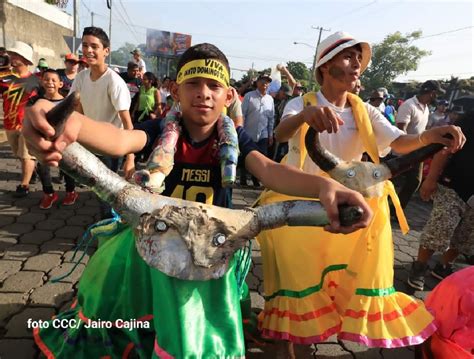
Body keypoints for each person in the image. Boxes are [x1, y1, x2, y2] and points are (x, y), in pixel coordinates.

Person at [24, 42, 373, 358]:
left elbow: (268, 169)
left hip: (213, 250)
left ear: (229, 95)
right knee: (118, 298)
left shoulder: (237, 138)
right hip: (153, 241)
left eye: (213, 85)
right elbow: (119, 139)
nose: (203, 93)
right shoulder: (160, 129)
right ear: (175, 90)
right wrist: (70, 121)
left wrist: (323, 188)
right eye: (193, 83)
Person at [256, 31, 465, 357]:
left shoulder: (364, 110)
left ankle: (310, 336)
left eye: (358, 58)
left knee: (334, 286)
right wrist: (304, 117)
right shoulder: (302, 103)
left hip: (349, 210)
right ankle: (290, 343)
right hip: (301, 208)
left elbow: (399, 142)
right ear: (325, 66)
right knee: (298, 283)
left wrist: (429, 136)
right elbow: (282, 133)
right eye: (347, 57)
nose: (356, 64)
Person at [70, 26, 134, 218]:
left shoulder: (114, 82)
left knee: (107, 193)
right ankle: (109, 224)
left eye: (94, 46)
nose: (89, 50)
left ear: (106, 51)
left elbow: (128, 124)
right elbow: (77, 110)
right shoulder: (81, 78)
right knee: (99, 189)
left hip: (111, 146)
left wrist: (130, 159)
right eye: (85, 45)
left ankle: (109, 230)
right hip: (91, 143)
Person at [407, 110, 473, 291]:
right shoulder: (469, 120)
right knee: (440, 226)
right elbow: (443, 150)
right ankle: (419, 266)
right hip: (452, 186)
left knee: (466, 234)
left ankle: (443, 266)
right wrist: (430, 179)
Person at [395, 80, 446, 209]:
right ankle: (386, 205)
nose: (437, 98)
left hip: (418, 150)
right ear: (432, 93)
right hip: (404, 150)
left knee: (415, 181)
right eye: (437, 94)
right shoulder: (409, 105)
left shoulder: (426, 109)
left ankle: (395, 210)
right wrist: (405, 149)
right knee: (391, 178)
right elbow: (401, 129)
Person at [0, 41, 41, 197]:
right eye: (12, 54)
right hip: (10, 123)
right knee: (18, 154)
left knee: (25, 155)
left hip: (27, 124)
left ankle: (24, 185)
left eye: (16, 55)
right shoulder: (4, 78)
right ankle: (33, 170)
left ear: (25, 59)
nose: (12, 57)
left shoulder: (34, 81)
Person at [34, 69, 78, 209]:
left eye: (54, 80)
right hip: (44, 142)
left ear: (60, 84)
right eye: (46, 79)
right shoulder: (37, 102)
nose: (50, 83)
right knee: (42, 168)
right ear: (42, 82)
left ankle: (71, 191)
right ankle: (49, 193)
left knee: (67, 169)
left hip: (63, 142)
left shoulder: (67, 101)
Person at [241, 72, 275, 187]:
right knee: (247, 156)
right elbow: (242, 115)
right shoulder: (249, 96)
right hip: (248, 132)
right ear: (257, 82)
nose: (265, 84)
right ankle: (243, 178)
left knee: (262, 156)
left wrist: (270, 135)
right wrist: (241, 131)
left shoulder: (270, 99)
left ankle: (256, 180)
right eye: (263, 81)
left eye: (267, 82)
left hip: (263, 134)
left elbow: (271, 118)